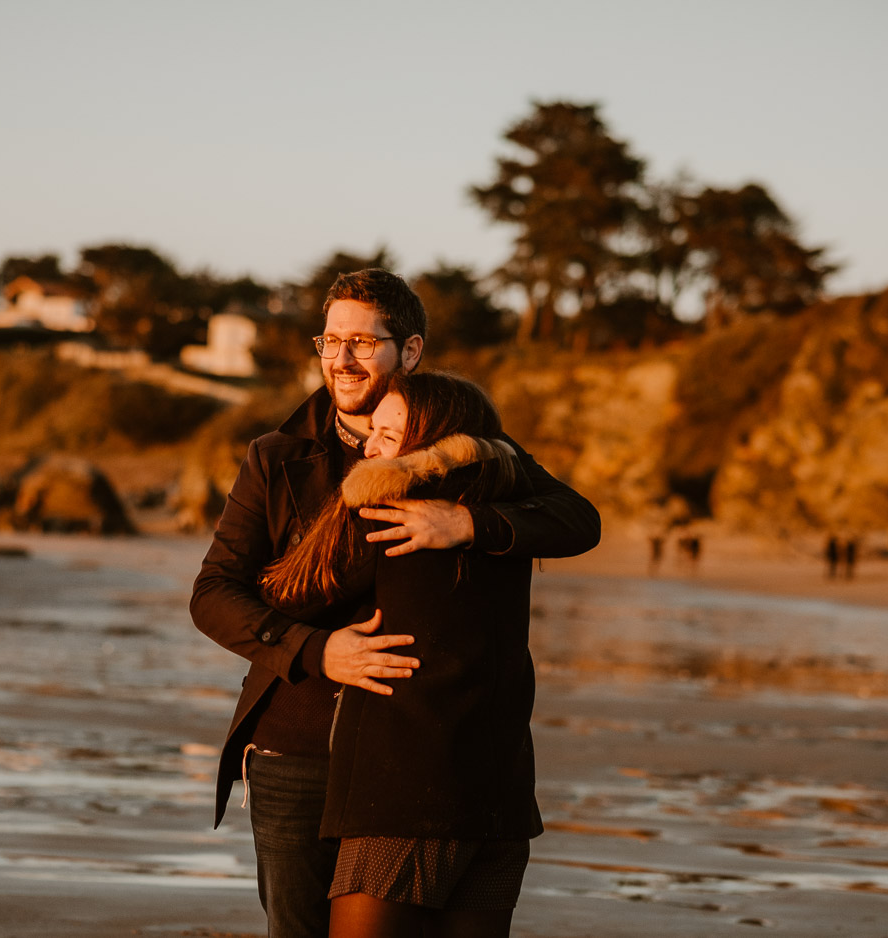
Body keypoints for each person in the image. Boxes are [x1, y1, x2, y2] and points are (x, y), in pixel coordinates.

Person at [189, 269, 601, 938]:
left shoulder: (457, 445)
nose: (342, 359)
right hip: (296, 746)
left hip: (416, 758)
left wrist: (468, 524)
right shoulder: (275, 457)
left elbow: (575, 517)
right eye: (329, 340)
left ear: (408, 351)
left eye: (362, 342)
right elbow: (213, 594)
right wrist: (318, 650)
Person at [260, 371, 541, 937]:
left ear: (429, 450)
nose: (368, 447)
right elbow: (579, 516)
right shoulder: (513, 514)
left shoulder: (388, 512)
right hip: (501, 795)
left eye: (388, 438)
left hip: (404, 795)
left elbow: (288, 591)